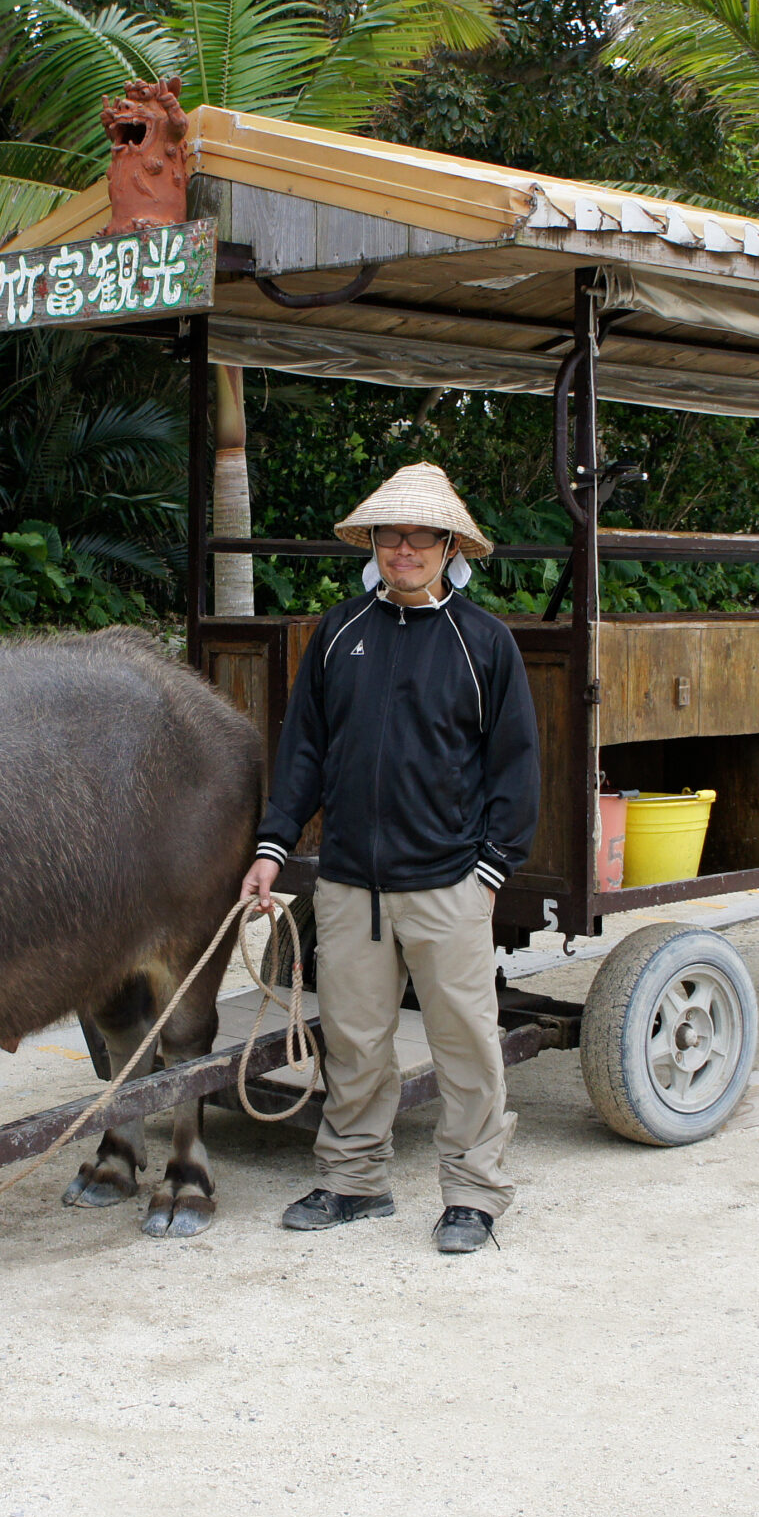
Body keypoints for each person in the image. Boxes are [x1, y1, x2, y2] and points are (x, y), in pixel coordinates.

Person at [240, 462, 540, 1256]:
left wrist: (490, 872)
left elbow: (516, 769)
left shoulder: (484, 644)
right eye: (390, 534)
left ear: (448, 545)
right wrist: (273, 847)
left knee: (465, 1044)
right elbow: (303, 750)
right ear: (371, 542)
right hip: (348, 884)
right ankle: (353, 1180)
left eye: (420, 535)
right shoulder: (340, 633)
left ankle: (473, 1194)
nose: (403, 548)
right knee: (354, 1039)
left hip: (448, 886)